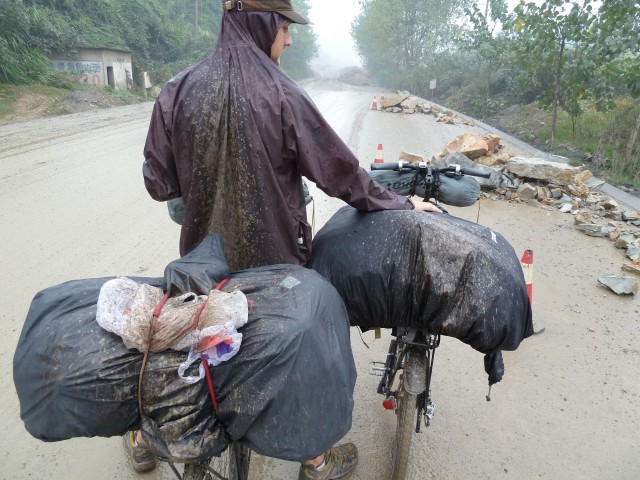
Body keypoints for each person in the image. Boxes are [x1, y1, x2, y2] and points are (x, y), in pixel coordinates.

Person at [131, 1, 441, 478]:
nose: (290, 39)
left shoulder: (176, 91)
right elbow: (343, 176)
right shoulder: (282, 94)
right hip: (276, 269)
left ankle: (149, 433)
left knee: (185, 340)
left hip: (203, 268)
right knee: (307, 342)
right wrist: (402, 204)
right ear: (262, 23)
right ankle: (315, 460)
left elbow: (158, 185)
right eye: (284, 27)